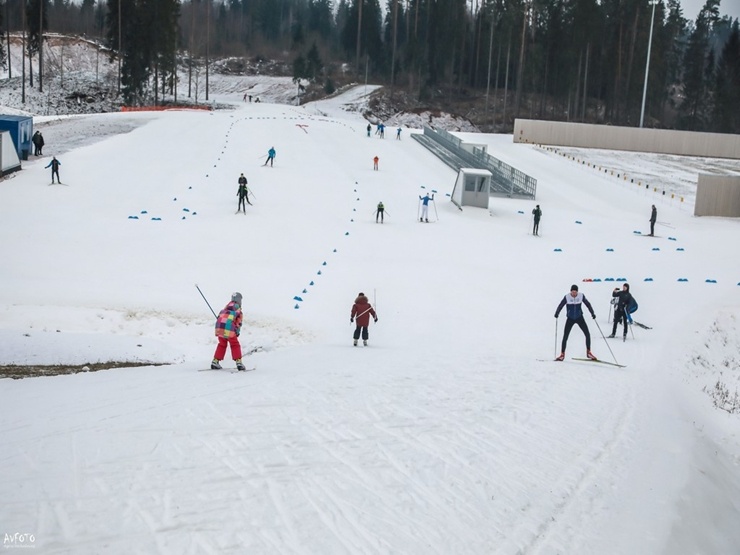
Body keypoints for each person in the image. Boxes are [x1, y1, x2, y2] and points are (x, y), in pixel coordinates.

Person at [554, 284, 597, 361]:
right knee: (565, 337)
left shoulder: (581, 296)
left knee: (587, 334)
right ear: (570, 291)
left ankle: (589, 352)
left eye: (575, 292)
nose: (574, 293)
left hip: (580, 318)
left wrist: (592, 313)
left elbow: (588, 304)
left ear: (577, 291)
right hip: (570, 319)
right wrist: (557, 313)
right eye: (572, 292)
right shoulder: (567, 297)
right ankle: (562, 354)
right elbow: (561, 305)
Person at [211, 292, 246, 371]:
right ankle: (239, 362)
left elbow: (219, 317)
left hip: (220, 328)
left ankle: (215, 361)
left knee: (222, 344)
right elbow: (238, 323)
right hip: (229, 330)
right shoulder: (238, 311)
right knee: (235, 344)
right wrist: (237, 331)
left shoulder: (225, 309)